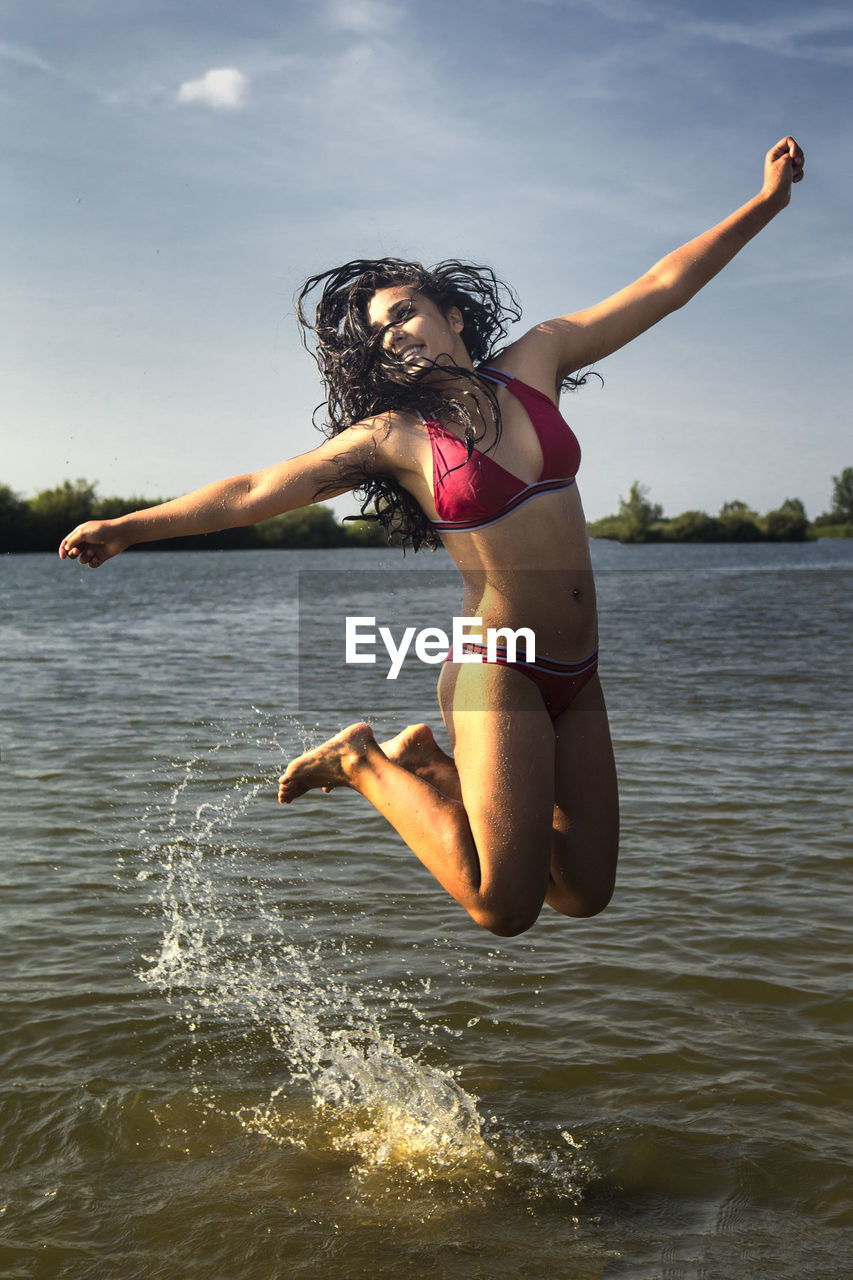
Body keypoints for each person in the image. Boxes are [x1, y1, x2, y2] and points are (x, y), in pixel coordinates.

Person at [60, 137, 805, 937]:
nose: (396, 334)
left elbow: (663, 285)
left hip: (578, 670)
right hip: (500, 666)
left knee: (583, 891)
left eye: (406, 312)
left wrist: (764, 203)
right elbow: (252, 491)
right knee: (501, 905)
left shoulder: (536, 361)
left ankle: (429, 764)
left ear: (452, 316)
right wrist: (127, 527)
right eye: (380, 332)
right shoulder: (395, 436)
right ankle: (362, 761)